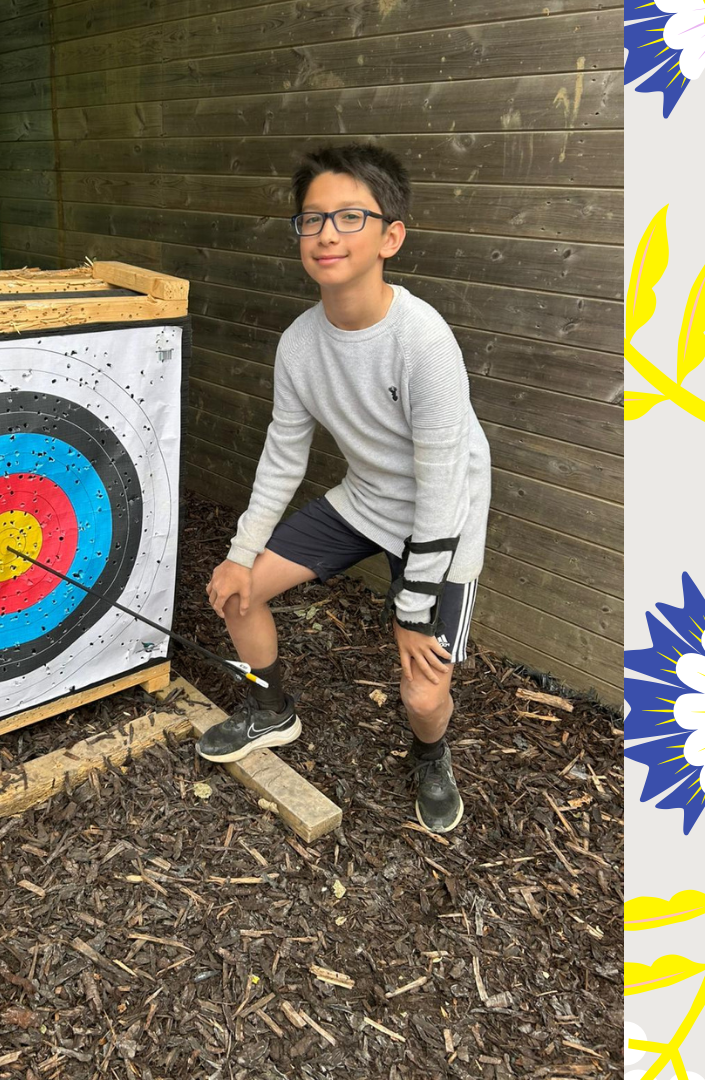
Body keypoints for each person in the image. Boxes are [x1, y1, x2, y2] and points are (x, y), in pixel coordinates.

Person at [196, 143, 491, 834]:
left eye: (350, 216)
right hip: (365, 500)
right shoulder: (299, 344)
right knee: (238, 592)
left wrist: (411, 607)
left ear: (391, 237)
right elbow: (282, 456)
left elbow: (444, 484)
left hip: (444, 519)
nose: (327, 233)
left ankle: (431, 756)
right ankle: (272, 710)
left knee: (424, 698)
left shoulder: (423, 341)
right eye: (312, 218)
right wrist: (240, 553)